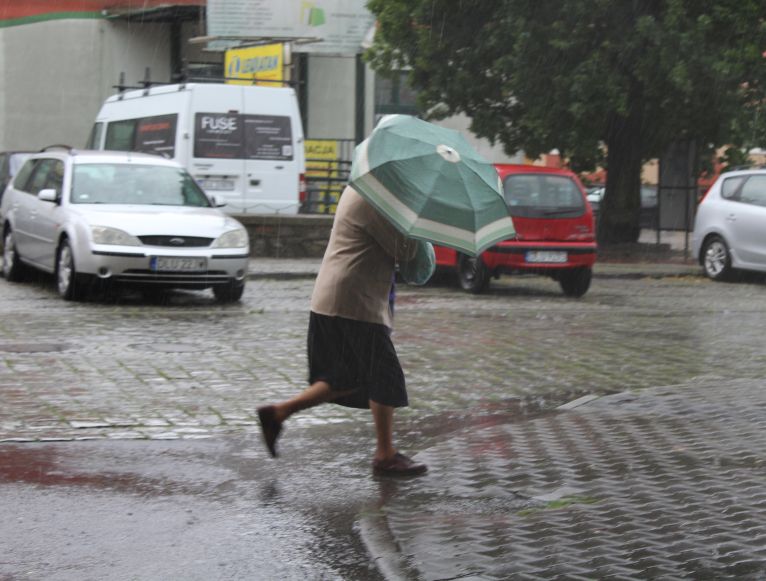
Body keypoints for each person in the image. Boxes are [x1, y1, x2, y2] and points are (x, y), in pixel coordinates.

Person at [257, 184, 428, 477]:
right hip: (353, 301)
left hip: (344, 298)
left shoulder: (363, 189)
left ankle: (278, 413)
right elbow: (406, 251)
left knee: (347, 377)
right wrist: (419, 224)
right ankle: (385, 455)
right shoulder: (374, 198)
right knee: (384, 377)